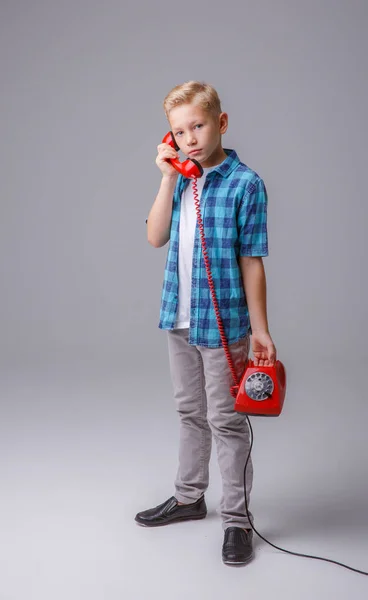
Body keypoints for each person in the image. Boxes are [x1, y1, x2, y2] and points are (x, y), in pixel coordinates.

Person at [135, 81, 277, 566]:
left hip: (224, 323)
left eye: (198, 125)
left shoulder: (245, 184)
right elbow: (155, 238)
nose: (190, 137)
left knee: (226, 421)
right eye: (180, 130)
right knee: (189, 412)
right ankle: (190, 496)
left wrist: (260, 329)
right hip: (178, 315)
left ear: (221, 122)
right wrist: (167, 176)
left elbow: (252, 259)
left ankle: (237, 521)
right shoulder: (180, 178)